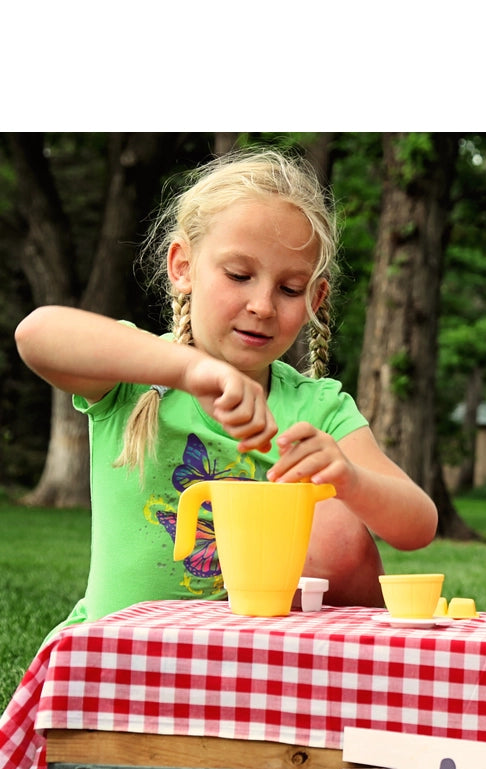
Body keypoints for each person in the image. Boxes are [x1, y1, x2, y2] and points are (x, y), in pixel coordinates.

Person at [15, 147, 438, 635]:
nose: (261, 305)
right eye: (239, 275)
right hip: (118, 657)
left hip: (243, 672)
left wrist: (350, 481)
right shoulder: (138, 372)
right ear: (183, 267)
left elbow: (418, 524)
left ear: (316, 300)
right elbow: (36, 334)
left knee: (337, 525)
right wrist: (188, 370)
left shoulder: (317, 405)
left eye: (290, 288)